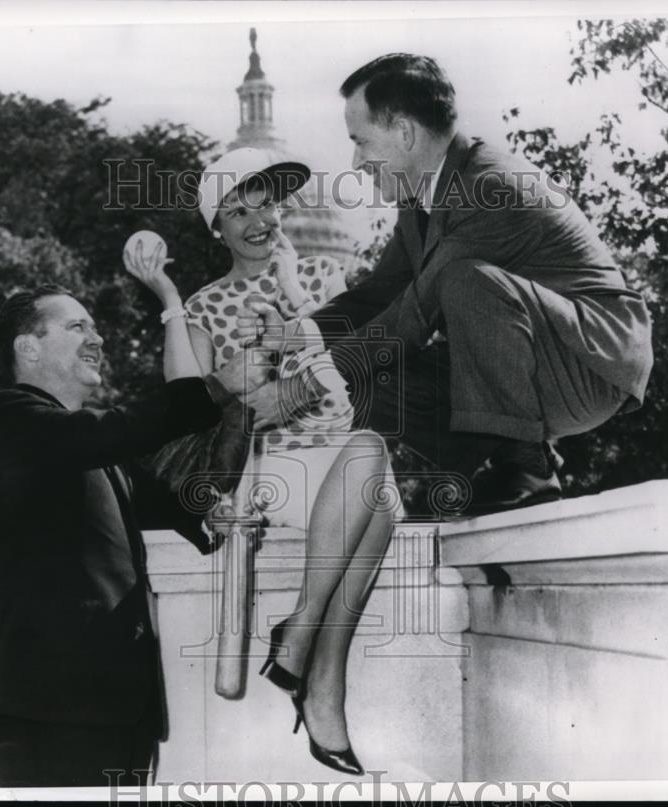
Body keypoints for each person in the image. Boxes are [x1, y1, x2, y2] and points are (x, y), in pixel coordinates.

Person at [242, 53, 654, 517]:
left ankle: (527, 468)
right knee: (368, 382)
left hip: (587, 362)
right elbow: (381, 292)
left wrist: (298, 390)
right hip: (528, 359)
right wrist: (297, 335)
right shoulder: (420, 194)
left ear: (404, 132)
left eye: (361, 142)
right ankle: (489, 467)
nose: (355, 162)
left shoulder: (489, 186)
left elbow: (410, 318)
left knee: (463, 282)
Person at [0, 272, 269, 787]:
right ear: (29, 348)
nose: (98, 338)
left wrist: (212, 513)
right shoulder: (7, 418)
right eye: (76, 326)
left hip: (121, 707)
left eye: (95, 327)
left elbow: (176, 498)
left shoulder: (102, 454)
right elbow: (111, 433)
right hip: (47, 705)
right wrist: (219, 385)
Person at [177, 147, 402, 775]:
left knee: (372, 469)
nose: (259, 221)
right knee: (375, 475)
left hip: (335, 453)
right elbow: (197, 408)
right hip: (265, 468)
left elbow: (349, 381)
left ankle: (307, 652)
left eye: (267, 204)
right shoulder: (202, 308)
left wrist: (298, 298)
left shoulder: (321, 284)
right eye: (236, 211)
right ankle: (314, 664)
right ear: (216, 227)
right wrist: (263, 382)